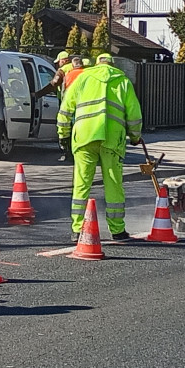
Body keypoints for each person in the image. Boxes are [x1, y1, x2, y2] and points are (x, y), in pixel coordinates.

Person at [57, 53, 142, 243]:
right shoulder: (122, 81)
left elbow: (65, 109)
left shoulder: (83, 78)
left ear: (96, 64)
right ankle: (117, 230)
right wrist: (135, 136)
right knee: (113, 183)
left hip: (85, 137)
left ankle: (77, 230)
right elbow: (134, 114)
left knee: (81, 183)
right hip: (112, 139)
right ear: (112, 64)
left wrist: (63, 135)